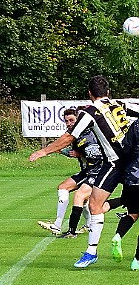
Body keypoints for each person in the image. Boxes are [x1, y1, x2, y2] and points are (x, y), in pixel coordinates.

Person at [29, 75, 139, 268]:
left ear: (90, 94)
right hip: (134, 164)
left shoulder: (89, 112)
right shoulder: (119, 104)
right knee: (133, 209)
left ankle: (91, 252)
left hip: (115, 163)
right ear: (108, 92)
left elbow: (69, 137)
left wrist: (43, 151)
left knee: (96, 205)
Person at [37, 108, 102, 236]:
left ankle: (63, 227)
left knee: (80, 196)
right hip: (86, 171)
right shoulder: (74, 135)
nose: (69, 123)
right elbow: (74, 153)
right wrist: (62, 151)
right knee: (63, 188)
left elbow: (96, 153)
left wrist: (80, 153)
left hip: (96, 172)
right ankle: (85, 225)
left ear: (79, 120)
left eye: (71, 120)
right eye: (66, 121)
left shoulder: (89, 133)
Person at [110, 118, 139, 271]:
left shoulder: (136, 124)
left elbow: (125, 149)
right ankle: (137, 260)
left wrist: (123, 173)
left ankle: (118, 235)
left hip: (132, 177)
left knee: (132, 213)